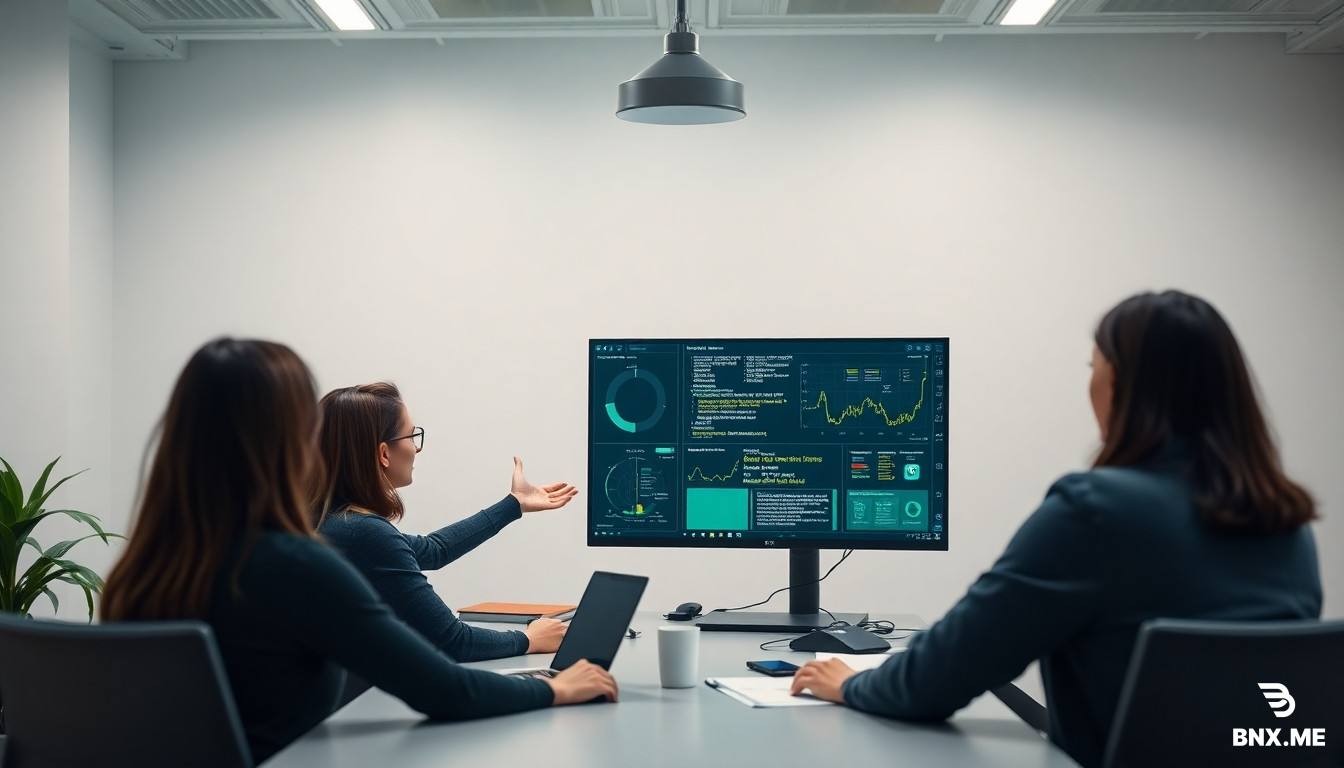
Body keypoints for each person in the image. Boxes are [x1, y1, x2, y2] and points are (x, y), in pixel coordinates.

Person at [790, 290, 1322, 768]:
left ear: (1118, 384)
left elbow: (945, 673)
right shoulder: (1288, 527)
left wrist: (854, 684)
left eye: (1094, 364)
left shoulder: (1096, 511)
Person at [99, 339, 616, 764]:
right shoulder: (298, 564)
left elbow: (424, 549)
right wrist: (556, 688)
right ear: (289, 441)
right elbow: (445, 685)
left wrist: (513, 506)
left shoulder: (145, 569)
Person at [312, 382, 575, 662]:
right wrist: (529, 639)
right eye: (411, 436)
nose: (416, 448)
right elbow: (452, 641)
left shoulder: (330, 521)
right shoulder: (363, 533)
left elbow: (434, 549)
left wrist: (514, 504)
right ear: (384, 454)